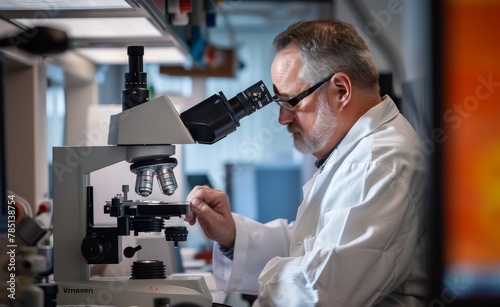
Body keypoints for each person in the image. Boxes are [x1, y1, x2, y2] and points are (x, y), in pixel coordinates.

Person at [185, 19, 428, 306]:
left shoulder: (379, 162)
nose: (282, 118)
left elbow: (324, 291)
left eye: (292, 102)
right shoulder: (358, 153)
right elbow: (313, 246)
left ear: (341, 90)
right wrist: (232, 236)